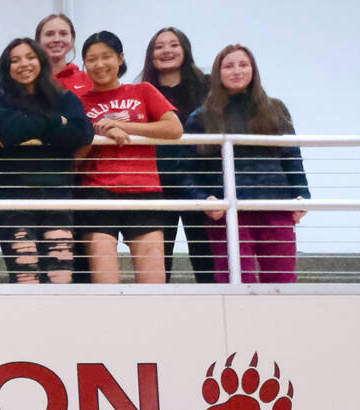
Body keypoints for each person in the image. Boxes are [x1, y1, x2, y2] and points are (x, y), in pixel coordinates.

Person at [188, 45, 309, 285]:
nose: (237, 71)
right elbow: (187, 170)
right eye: (229, 66)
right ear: (218, 72)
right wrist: (203, 198)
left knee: (282, 279)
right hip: (228, 209)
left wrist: (302, 194)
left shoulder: (275, 108)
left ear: (253, 70)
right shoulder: (200, 117)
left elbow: (291, 155)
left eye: (243, 65)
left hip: (276, 206)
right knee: (235, 278)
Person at [75, 30, 182, 285]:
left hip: (144, 190)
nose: (99, 64)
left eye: (106, 56)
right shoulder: (78, 101)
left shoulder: (143, 90)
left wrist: (123, 127)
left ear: (120, 58)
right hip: (97, 192)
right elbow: (72, 160)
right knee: (105, 280)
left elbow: (174, 128)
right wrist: (95, 134)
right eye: (91, 59)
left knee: (153, 281)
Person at [0, 37, 91, 284]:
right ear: (6, 69)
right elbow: (9, 131)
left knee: (61, 277)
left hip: (58, 195)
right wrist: (55, 121)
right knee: (26, 277)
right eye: (15, 60)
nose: (24, 64)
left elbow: (83, 133)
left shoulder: (65, 98)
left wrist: (29, 124)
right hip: (13, 200)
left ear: (41, 62)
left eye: (30, 57)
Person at [138, 27, 215, 282]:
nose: (166, 51)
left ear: (185, 49)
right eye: (159, 47)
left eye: (173, 45)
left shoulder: (208, 87)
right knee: (160, 255)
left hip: (200, 182)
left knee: (205, 252)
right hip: (157, 182)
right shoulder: (141, 91)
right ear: (151, 55)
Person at [35, 13, 89, 95]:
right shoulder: (29, 80)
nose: (56, 39)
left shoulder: (88, 80)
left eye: (63, 34)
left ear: (72, 40)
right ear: (38, 42)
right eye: (49, 34)